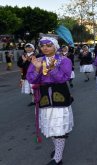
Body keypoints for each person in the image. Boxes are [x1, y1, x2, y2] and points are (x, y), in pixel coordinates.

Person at [27, 37, 74, 165]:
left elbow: (64, 78)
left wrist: (53, 69)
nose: (45, 48)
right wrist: (37, 69)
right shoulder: (37, 61)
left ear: (55, 46)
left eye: (48, 45)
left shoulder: (65, 60)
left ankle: (58, 158)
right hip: (44, 97)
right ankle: (57, 150)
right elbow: (31, 79)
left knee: (58, 127)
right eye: (42, 46)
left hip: (59, 94)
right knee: (50, 125)